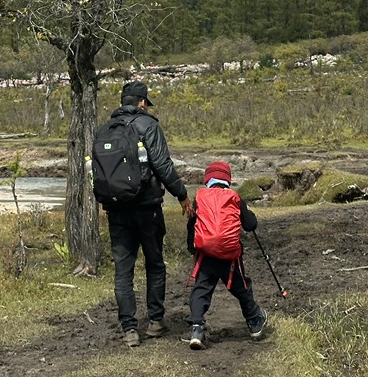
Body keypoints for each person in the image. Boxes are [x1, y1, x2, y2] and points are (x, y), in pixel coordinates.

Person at [96, 80, 193, 347]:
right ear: (142, 102)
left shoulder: (105, 129)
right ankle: (155, 321)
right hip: (147, 206)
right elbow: (163, 165)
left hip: (116, 209)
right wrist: (182, 195)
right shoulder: (149, 125)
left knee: (123, 271)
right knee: (155, 264)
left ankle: (129, 329)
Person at [186, 161, 267, 350]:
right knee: (241, 287)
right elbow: (250, 225)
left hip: (206, 255)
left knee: (201, 289)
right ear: (228, 180)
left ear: (208, 179)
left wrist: (192, 248)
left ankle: (196, 329)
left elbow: (192, 226)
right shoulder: (234, 197)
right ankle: (254, 321)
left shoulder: (200, 197)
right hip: (230, 257)